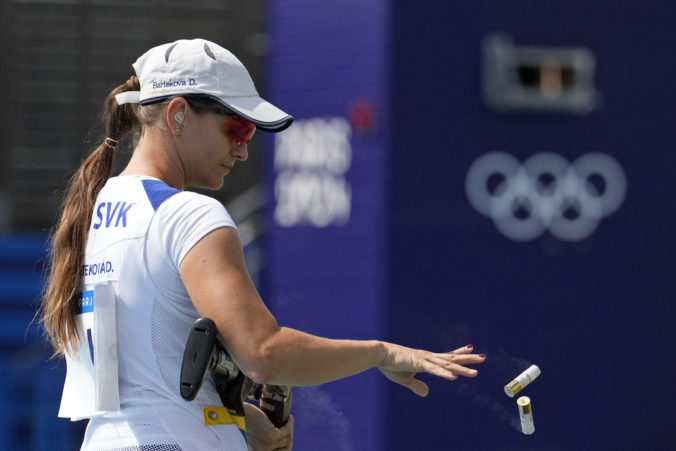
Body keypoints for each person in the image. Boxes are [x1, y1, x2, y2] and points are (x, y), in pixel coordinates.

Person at [39, 38, 485, 451]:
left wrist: (234, 419)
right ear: (177, 115)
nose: (243, 151)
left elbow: (147, 378)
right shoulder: (188, 214)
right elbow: (264, 355)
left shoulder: (92, 212)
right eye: (237, 129)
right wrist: (380, 353)